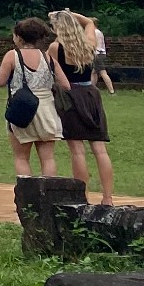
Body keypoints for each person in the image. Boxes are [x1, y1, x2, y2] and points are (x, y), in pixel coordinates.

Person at [50, 11, 114, 203]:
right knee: (100, 149)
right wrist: (69, 14)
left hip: (70, 96)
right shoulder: (89, 43)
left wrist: (58, 15)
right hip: (91, 94)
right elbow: (88, 23)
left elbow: (51, 71)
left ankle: (83, 196)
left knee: (77, 150)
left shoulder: (56, 47)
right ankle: (108, 197)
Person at [0, 16, 68, 179]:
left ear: (19, 37)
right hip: (46, 110)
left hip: (23, 108)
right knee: (48, 158)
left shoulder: (12, 56)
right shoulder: (48, 57)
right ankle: (48, 195)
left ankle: (27, 198)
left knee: (21, 157)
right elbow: (65, 85)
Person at [85, 13, 114, 95]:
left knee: (102, 72)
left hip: (97, 54)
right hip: (100, 53)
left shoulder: (94, 32)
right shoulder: (99, 32)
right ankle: (91, 89)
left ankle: (111, 90)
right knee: (94, 72)